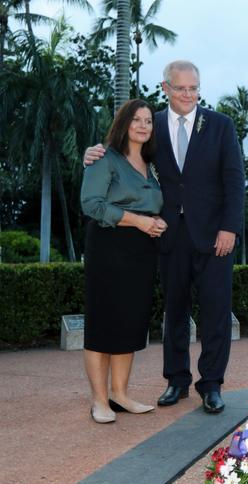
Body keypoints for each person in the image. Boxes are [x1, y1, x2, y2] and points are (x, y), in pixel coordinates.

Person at [84, 60, 245, 414]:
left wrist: (230, 227)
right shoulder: (149, 125)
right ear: (166, 88)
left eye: (194, 88)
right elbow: (121, 157)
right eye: (181, 88)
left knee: (216, 312)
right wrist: (92, 153)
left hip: (216, 236)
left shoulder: (220, 125)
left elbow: (234, 180)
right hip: (168, 234)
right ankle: (176, 380)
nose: (188, 94)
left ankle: (212, 384)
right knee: (174, 312)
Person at [81, 99, 166, 423]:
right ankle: (99, 401)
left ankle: (120, 394)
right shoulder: (104, 157)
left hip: (141, 251)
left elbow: (153, 206)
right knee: (104, 322)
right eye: (137, 120)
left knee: (129, 321)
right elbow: (92, 204)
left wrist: (156, 223)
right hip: (109, 246)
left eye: (148, 121)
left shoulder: (150, 163)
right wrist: (139, 221)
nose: (143, 126)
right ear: (124, 124)